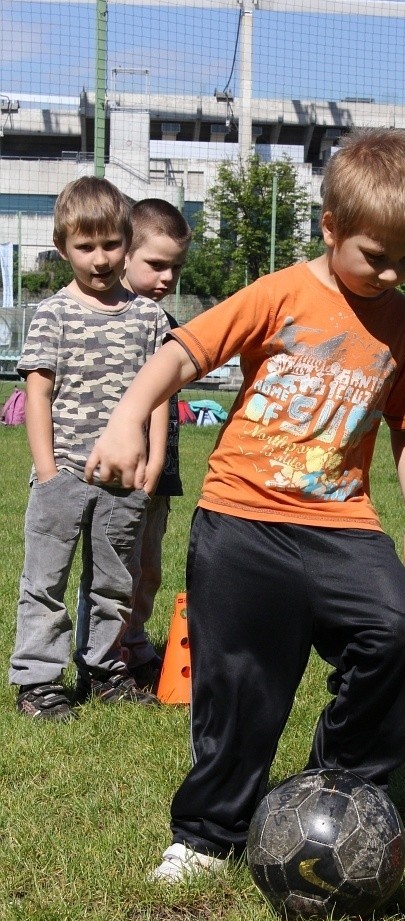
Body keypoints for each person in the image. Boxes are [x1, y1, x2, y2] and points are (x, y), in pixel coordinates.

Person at [85, 128, 405, 881]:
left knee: (396, 636)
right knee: (241, 686)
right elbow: (182, 353)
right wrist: (127, 418)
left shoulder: (403, 324)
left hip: (342, 523)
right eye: (374, 256)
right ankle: (206, 836)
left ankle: (343, 792)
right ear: (330, 229)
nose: (390, 272)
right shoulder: (281, 294)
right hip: (243, 520)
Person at [10, 177, 169, 719]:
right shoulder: (53, 313)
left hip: (125, 478)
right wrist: (48, 473)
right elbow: (39, 394)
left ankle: (105, 669)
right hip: (65, 475)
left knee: (113, 585)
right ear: (62, 248)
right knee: (45, 582)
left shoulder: (150, 317)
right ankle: (38, 682)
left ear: (127, 242)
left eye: (111, 245)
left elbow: (159, 395)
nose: (99, 259)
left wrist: (154, 461)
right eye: (85, 247)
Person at [119, 199, 192, 690]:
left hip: (157, 470)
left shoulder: (165, 325)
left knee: (148, 564)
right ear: (125, 253)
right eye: (156, 264)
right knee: (112, 566)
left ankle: (136, 641)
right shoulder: (109, 318)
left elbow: (166, 399)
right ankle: (106, 652)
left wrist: (159, 458)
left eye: (176, 268)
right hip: (117, 465)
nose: (167, 277)